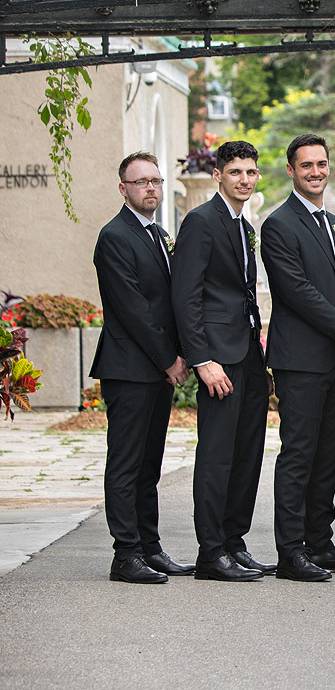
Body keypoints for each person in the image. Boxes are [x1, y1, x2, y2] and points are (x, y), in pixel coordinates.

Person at [260, 133, 335, 581]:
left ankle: (320, 543)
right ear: (291, 170)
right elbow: (296, 291)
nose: (315, 172)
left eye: (321, 164)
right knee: (299, 454)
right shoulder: (278, 224)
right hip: (300, 360)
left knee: (331, 454)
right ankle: (290, 552)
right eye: (306, 165)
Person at [172, 140, 274, 582]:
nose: (245, 180)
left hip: (249, 353)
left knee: (247, 453)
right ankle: (211, 553)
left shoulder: (241, 222)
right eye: (236, 172)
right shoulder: (201, 221)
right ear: (218, 175)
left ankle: (234, 542)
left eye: (251, 172)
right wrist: (202, 359)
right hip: (218, 357)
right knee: (216, 456)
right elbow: (186, 296)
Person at [91, 151, 193, 584]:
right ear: (123, 189)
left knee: (150, 463)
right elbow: (132, 309)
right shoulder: (114, 236)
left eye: (155, 181)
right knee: (127, 463)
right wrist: (169, 358)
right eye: (140, 182)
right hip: (130, 368)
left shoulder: (158, 234)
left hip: (155, 370)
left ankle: (149, 547)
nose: (150, 188)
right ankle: (125, 553)